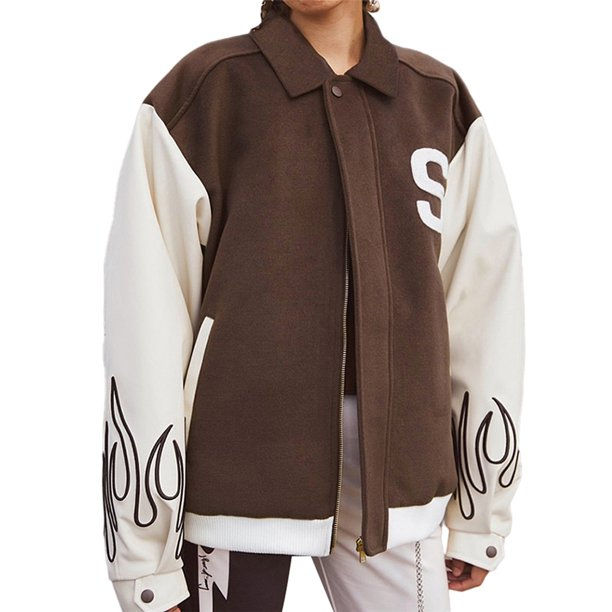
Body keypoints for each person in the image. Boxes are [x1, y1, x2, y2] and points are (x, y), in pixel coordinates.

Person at [101, 1, 525, 610]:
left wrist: (481, 511)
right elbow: (147, 321)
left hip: (397, 479)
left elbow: (481, 308)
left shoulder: (436, 100)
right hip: (235, 474)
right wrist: (145, 553)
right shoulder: (206, 94)